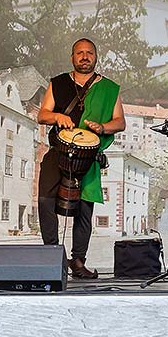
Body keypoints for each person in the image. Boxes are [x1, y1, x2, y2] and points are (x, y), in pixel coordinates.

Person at [37, 38, 125, 279]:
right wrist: (56, 117)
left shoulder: (109, 89)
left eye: (89, 53)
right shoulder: (58, 83)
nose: (84, 57)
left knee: (85, 209)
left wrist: (103, 127)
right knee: (45, 200)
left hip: (89, 156)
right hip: (58, 152)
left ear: (96, 57)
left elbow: (120, 122)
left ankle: (78, 261)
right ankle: (52, 255)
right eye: (79, 53)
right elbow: (42, 115)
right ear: (72, 58)